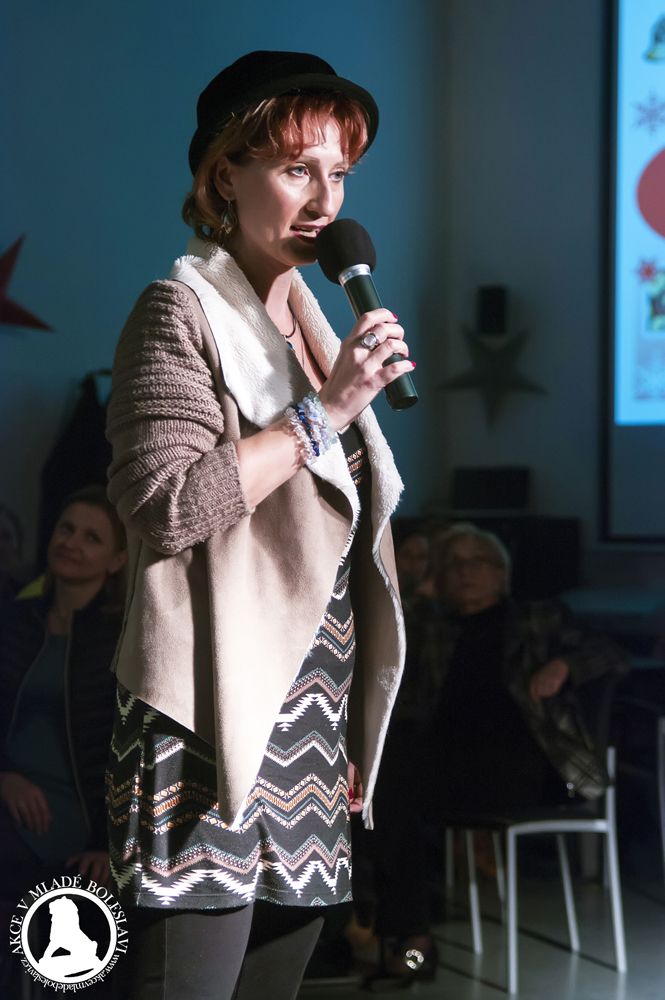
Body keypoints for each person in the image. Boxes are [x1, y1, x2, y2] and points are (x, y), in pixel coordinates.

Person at [104, 50, 410, 1000]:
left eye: (338, 173)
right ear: (222, 176)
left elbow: (340, 558)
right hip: (208, 721)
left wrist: (349, 721)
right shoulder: (177, 313)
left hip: (311, 735)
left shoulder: (318, 329)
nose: (324, 199)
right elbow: (165, 507)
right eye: (294, 168)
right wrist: (326, 410)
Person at [0, 485, 127, 996]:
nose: (72, 542)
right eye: (66, 529)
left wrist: (107, 843)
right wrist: (4, 776)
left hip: (83, 822)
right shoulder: (14, 619)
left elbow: (128, 750)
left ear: (117, 560)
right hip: (12, 805)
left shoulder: (120, 639)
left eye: (92, 538)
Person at [431, 522, 630, 816]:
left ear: (501, 572)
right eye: (454, 563)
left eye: (478, 561)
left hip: (522, 746)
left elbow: (610, 653)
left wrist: (564, 666)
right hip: (446, 747)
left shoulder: (535, 620)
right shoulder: (435, 630)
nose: (465, 571)